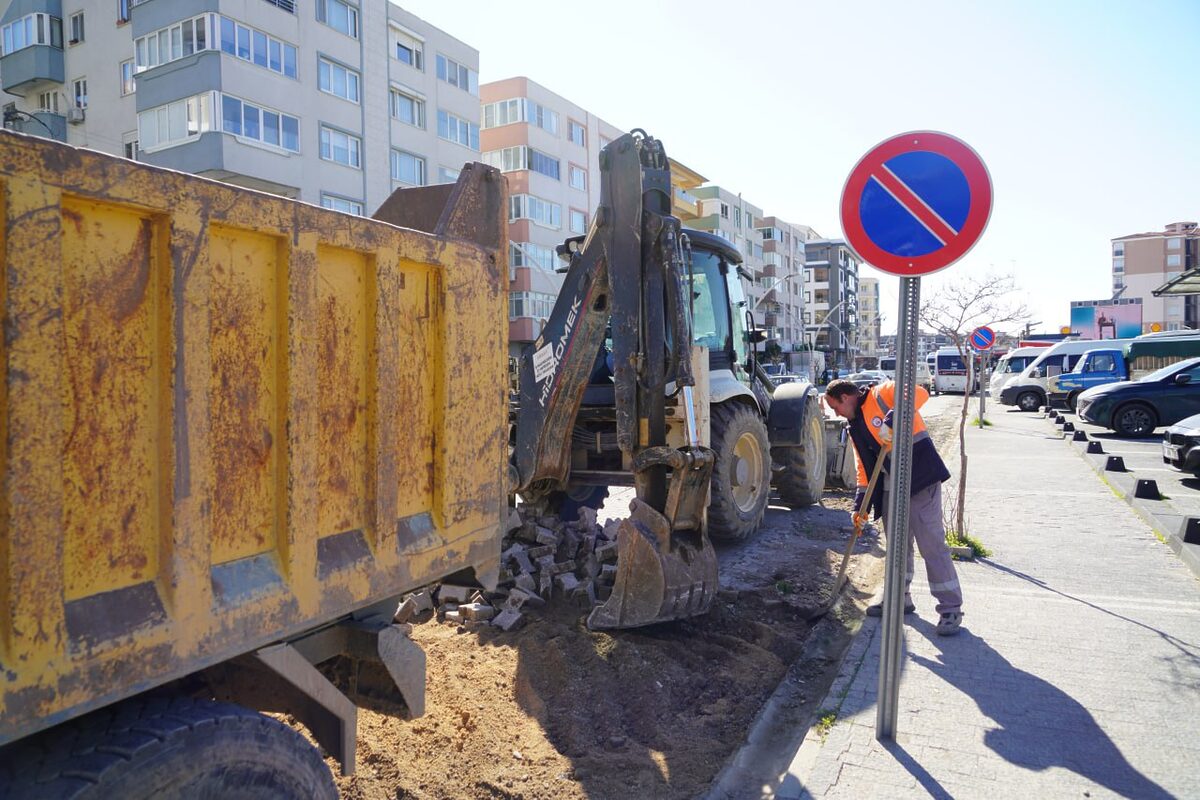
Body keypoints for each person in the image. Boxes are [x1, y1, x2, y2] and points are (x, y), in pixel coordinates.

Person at [823, 378, 964, 635]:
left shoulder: (882, 393)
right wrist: (860, 505)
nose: (836, 414)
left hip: (919, 479)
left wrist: (893, 417)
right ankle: (900, 599)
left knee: (931, 544)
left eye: (835, 408)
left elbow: (920, 393)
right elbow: (863, 468)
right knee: (898, 548)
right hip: (890, 488)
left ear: (845, 398)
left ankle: (950, 608)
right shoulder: (854, 425)